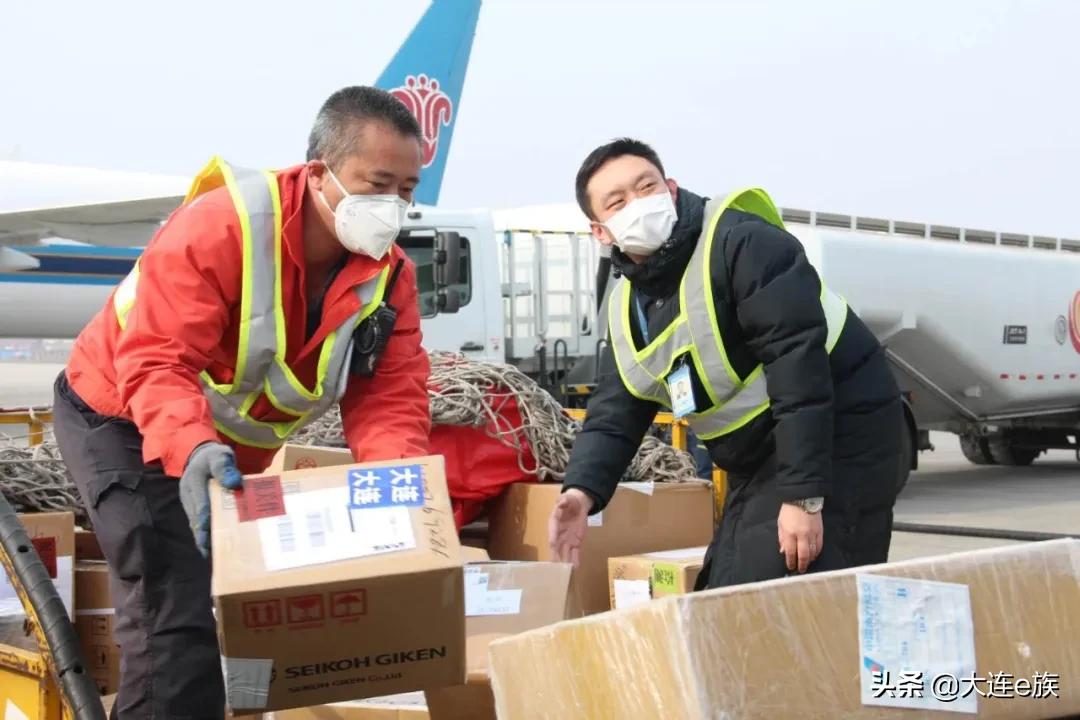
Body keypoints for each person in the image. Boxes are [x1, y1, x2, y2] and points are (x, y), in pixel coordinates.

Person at [51, 86, 432, 719]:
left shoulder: (388, 275)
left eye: (408, 191)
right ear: (318, 175)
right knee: (175, 614)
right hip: (121, 417)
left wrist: (398, 497)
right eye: (378, 184)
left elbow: (390, 397)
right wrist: (193, 445)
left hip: (225, 454)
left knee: (250, 611)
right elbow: (156, 359)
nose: (392, 207)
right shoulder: (222, 227)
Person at [548, 138, 903, 587]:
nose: (638, 204)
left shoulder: (742, 244)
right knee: (725, 585)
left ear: (671, 189)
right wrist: (581, 494)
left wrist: (804, 499)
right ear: (601, 231)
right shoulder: (627, 308)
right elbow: (614, 414)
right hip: (758, 456)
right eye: (618, 202)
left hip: (840, 428)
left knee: (791, 583)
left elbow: (798, 369)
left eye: (646, 187)